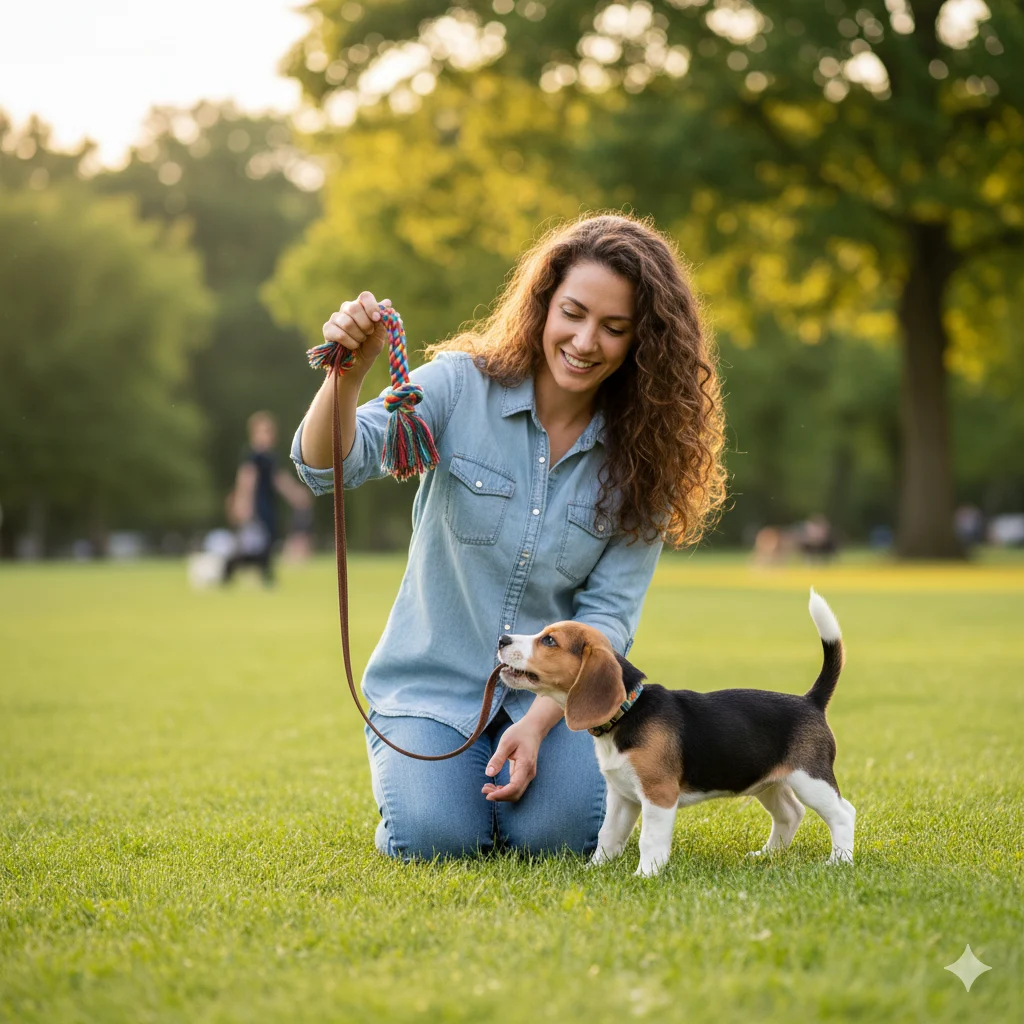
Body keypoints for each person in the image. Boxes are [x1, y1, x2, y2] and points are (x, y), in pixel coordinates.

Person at [291, 213, 727, 860]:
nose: (585, 341)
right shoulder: (456, 386)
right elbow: (326, 468)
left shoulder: (647, 459)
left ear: (643, 342)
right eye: (573, 313)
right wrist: (348, 373)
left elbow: (607, 615)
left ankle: (517, 781)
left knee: (557, 839)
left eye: (614, 328)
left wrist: (538, 722)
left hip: (556, 701)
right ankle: (432, 785)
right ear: (542, 305)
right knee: (437, 839)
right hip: (429, 689)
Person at [224, 411, 309, 586]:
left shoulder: (271, 457)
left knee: (269, 539)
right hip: (256, 505)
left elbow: (278, 480)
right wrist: (243, 503)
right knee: (253, 542)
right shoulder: (252, 456)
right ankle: (230, 570)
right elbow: (246, 479)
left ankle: (266, 574)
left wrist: (295, 495)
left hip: (268, 505)